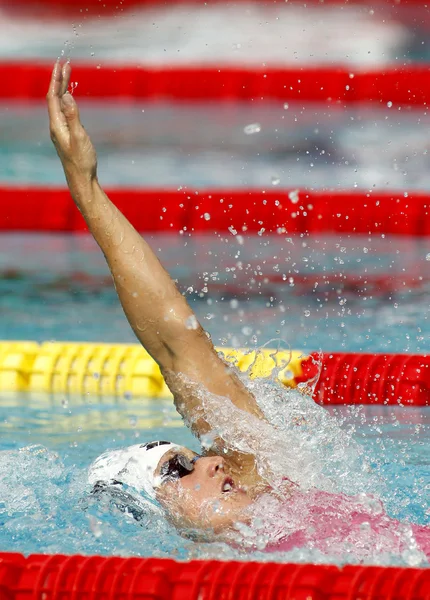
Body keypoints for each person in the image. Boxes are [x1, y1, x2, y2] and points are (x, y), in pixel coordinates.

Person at [47, 61, 429, 559]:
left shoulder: (275, 483)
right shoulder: (229, 571)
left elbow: (177, 346)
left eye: (190, 455)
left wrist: (86, 187)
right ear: (159, 517)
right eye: (177, 471)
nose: (211, 462)